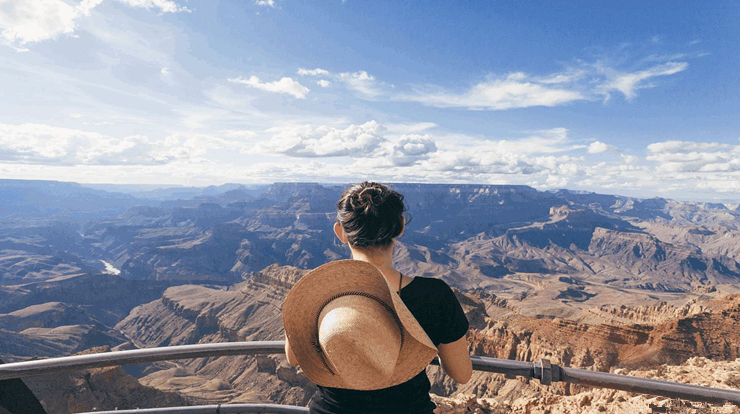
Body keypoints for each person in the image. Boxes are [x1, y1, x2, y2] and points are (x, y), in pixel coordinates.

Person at [284, 181, 472, 414]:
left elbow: (292, 358)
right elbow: (461, 374)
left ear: (341, 232)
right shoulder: (435, 296)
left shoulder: (317, 296)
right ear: (400, 227)